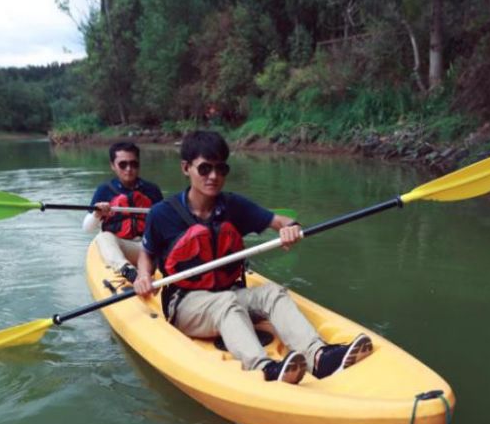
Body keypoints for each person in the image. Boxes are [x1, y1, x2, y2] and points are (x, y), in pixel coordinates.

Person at [132, 131, 372, 384]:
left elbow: (281, 221)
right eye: (204, 169)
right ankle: (264, 368)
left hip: (231, 293)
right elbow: (147, 254)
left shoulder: (233, 206)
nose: (213, 176)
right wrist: (143, 275)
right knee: (226, 303)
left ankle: (318, 356)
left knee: (272, 293)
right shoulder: (162, 214)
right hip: (187, 304)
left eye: (220, 169)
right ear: (186, 168)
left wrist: (291, 227)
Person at [83, 142, 164, 282]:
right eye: (123, 164)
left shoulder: (152, 190)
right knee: (103, 237)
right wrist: (97, 214)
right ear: (113, 165)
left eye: (134, 164)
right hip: (122, 245)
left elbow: (164, 225)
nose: (129, 169)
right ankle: (127, 271)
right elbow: (86, 228)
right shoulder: (104, 190)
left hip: (147, 248)